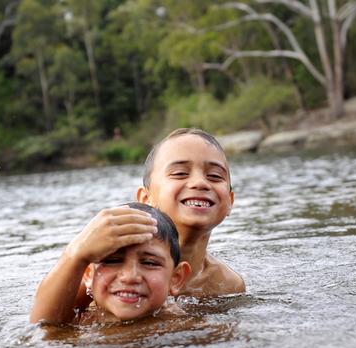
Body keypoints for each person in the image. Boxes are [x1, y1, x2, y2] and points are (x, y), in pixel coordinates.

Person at [30, 128, 245, 324]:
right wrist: (75, 254)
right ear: (146, 198)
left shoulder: (227, 285)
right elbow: (43, 324)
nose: (200, 183)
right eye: (180, 173)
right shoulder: (101, 268)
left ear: (230, 202)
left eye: (215, 176)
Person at [31, 203, 191, 325]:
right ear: (88, 274)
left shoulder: (183, 327)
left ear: (176, 278)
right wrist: (76, 254)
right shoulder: (78, 324)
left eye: (149, 263)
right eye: (113, 261)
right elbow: (43, 325)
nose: (130, 277)